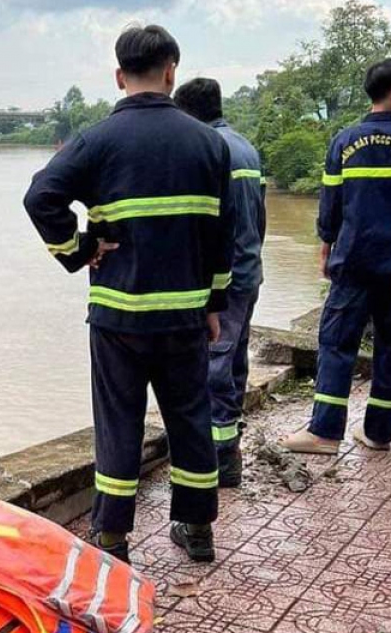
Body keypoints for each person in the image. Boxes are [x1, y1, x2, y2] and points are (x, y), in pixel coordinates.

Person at [24, 25, 235, 565]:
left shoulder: (97, 141)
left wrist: (79, 249)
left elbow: (40, 196)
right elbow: (222, 234)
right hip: (185, 315)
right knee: (190, 419)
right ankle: (198, 530)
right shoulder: (209, 144)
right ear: (171, 72)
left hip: (119, 316)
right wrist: (215, 304)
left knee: (119, 423)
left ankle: (112, 537)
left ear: (120, 77)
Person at [281, 59, 391, 455]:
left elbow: (331, 204)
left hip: (354, 262)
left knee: (337, 343)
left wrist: (326, 245)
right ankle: (379, 433)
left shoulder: (345, 141)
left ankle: (324, 432)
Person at [173, 78, 265, 489]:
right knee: (234, 363)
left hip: (223, 281)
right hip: (249, 272)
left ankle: (220, 460)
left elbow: (204, 226)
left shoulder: (206, 151)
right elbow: (259, 218)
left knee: (213, 369)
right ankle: (229, 447)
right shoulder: (246, 148)